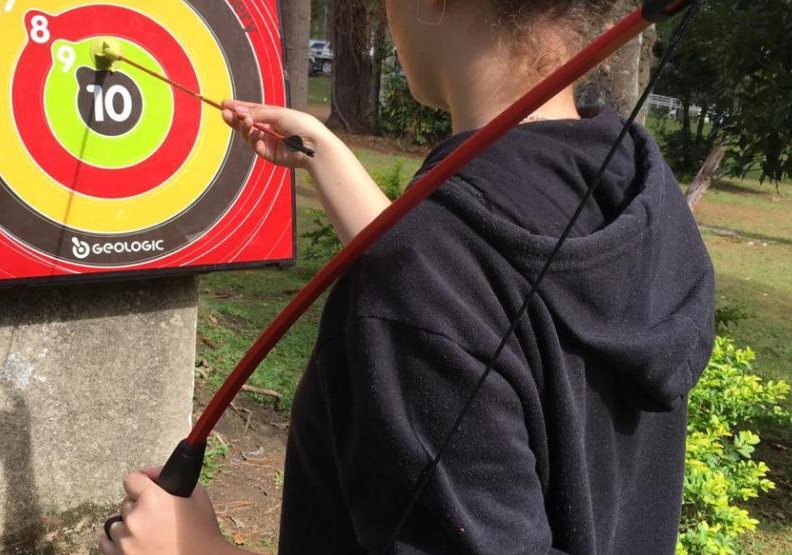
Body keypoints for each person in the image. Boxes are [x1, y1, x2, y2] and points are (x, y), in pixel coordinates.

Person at [100, 0, 715, 553]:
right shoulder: (638, 189)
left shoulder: (429, 277)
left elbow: (445, 295)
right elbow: (483, 288)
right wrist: (325, 151)